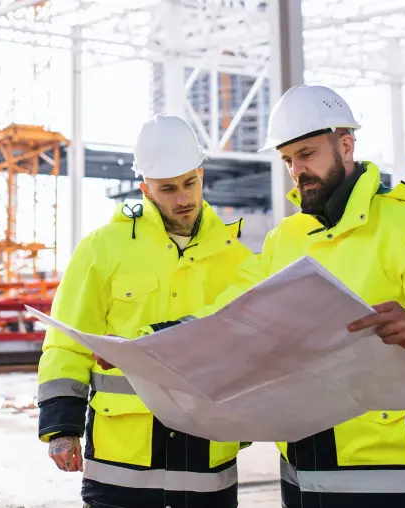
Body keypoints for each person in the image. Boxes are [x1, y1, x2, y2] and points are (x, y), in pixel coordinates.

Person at [145, 84, 405, 508]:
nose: (297, 170)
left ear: (346, 145)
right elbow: (229, 312)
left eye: (307, 154)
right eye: (288, 160)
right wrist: (154, 341)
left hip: (381, 462)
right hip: (299, 459)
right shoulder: (286, 238)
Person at [36, 114, 257, 508]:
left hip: (207, 459)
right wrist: (61, 426)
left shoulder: (236, 257)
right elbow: (67, 341)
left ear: (201, 174)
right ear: (145, 189)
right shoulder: (102, 248)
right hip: (122, 460)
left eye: (190, 183)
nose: (183, 198)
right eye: (168, 189)